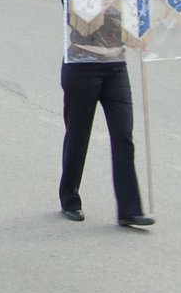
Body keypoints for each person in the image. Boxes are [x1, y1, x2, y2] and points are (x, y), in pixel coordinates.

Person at [60, 55, 154, 228]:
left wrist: (142, 33)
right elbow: (81, 28)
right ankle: (69, 198)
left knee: (123, 134)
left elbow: (132, 34)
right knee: (78, 134)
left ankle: (129, 210)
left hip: (116, 67)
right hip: (81, 65)